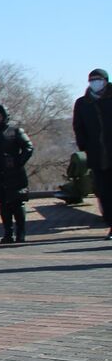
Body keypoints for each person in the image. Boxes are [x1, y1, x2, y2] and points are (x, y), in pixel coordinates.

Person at [0, 104, 35, 243]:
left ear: (5, 116)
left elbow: (28, 147)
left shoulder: (15, 131)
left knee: (17, 203)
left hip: (14, 174)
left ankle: (21, 233)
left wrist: (18, 162)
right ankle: (7, 233)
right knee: (3, 205)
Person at [73, 68, 112, 238]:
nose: (95, 82)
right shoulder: (83, 103)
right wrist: (85, 147)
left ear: (105, 80)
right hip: (97, 156)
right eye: (92, 80)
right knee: (104, 192)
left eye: (98, 79)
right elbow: (79, 128)